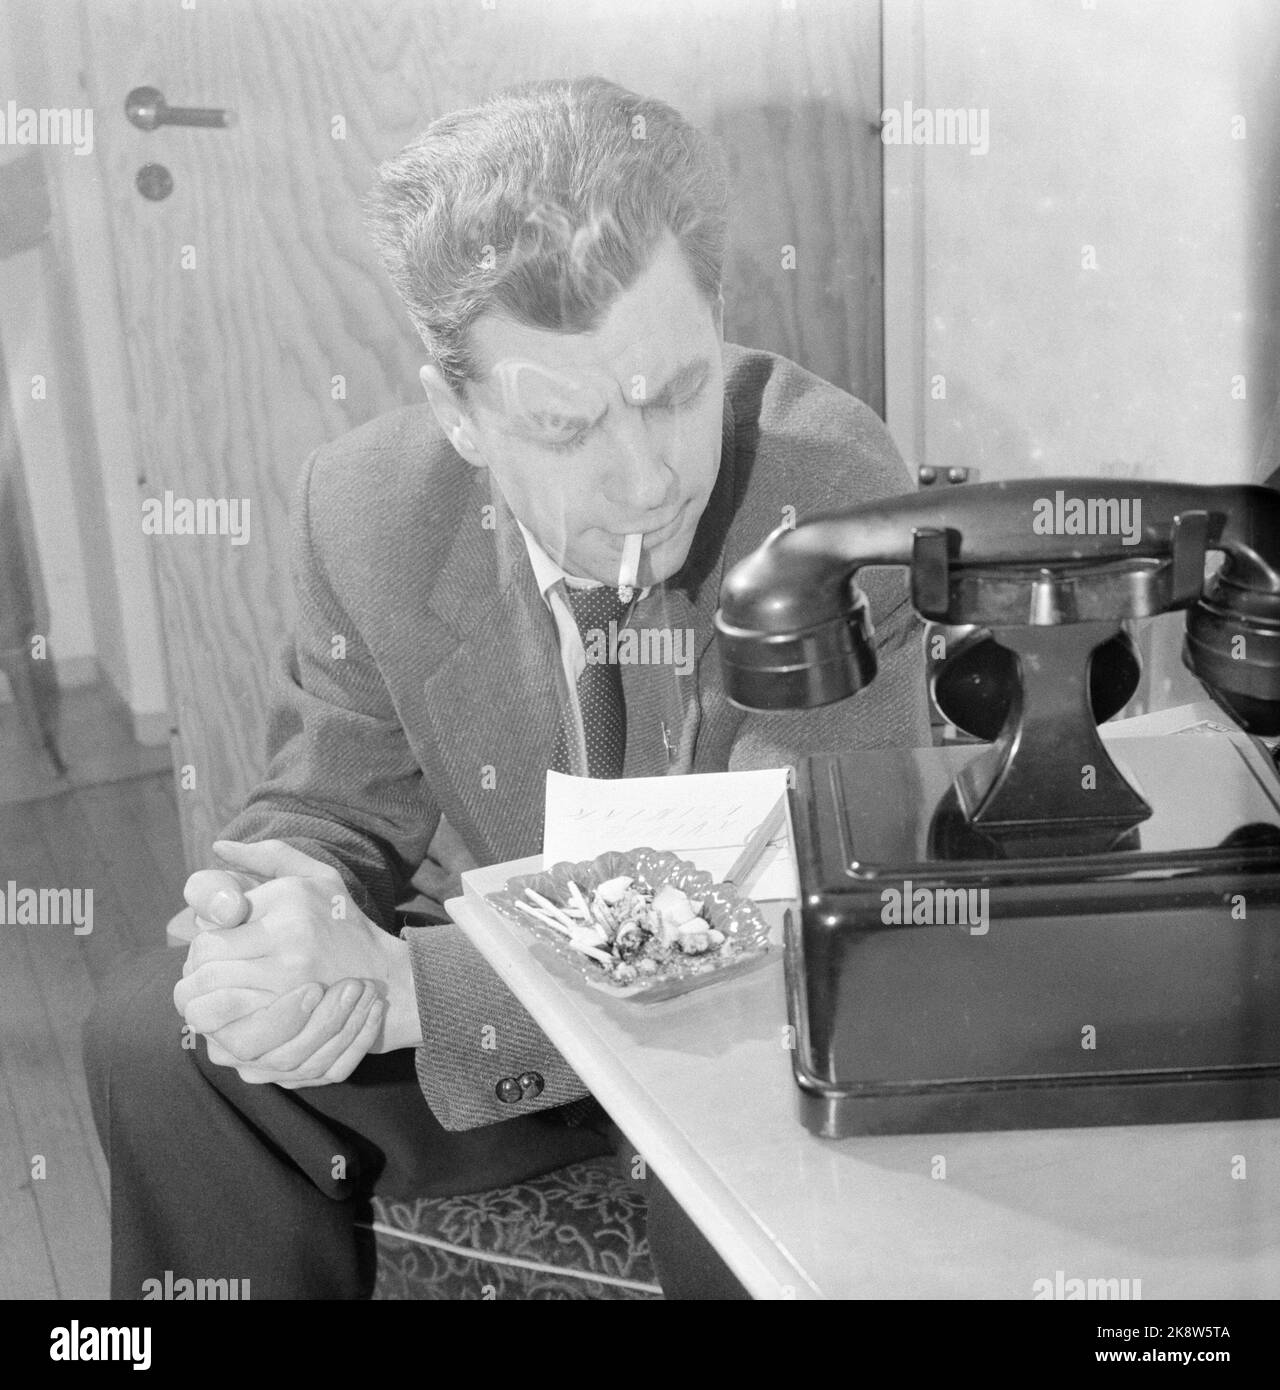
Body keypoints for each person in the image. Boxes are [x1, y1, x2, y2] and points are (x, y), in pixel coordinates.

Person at [85, 75, 929, 1299]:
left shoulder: (828, 488)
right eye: (567, 425)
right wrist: (272, 924)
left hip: (741, 1030)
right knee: (152, 1036)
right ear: (459, 414)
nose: (644, 479)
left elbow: (777, 898)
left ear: (721, 322)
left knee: (731, 1169)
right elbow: (328, 802)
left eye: (674, 391)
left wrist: (418, 994)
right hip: (499, 1038)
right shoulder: (366, 505)